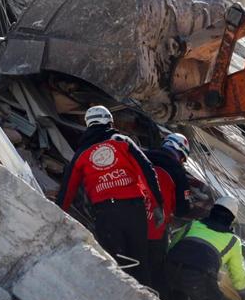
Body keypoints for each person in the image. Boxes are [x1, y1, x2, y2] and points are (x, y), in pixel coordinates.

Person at [56, 105, 164, 285]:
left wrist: (59, 214)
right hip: (134, 211)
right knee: (140, 262)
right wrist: (157, 204)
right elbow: (147, 172)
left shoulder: (82, 153)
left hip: (105, 215)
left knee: (116, 265)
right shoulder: (122, 141)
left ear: (88, 124)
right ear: (110, 121)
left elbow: (68, 189)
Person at [144, 164, 176, 300]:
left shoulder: (137, 167)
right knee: (157, 270)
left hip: (132, 228)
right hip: (155, 235)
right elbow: (175, 208)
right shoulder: (170, 177)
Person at [145, 133, 193, 219]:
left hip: (121, 208)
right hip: (151, 222)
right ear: (180, 154)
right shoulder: (180, 176)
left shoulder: (142, 155)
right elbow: (182, 210)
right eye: (183, 160)